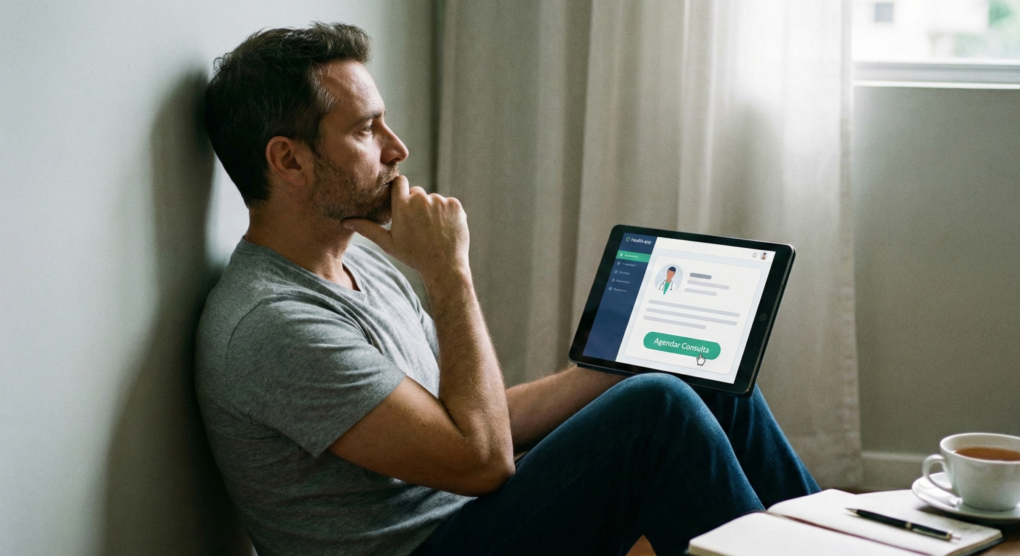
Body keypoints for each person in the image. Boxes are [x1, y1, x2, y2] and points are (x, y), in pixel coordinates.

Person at [195, 22, 819, 556]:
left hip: (461, 515)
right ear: (290, 161)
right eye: (366, 130)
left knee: (699, 378)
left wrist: (622, 366)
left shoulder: (364, 262)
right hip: (427, 543)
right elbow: (481, 458)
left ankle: (834, 543)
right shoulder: (274, 324)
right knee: (659, 410)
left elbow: (471, 423)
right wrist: (449, 273)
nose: (397, 148)